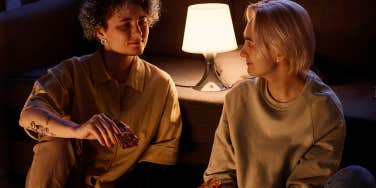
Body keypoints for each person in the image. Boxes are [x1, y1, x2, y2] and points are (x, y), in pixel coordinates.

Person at [201, 0, 375, 187]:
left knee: (357, 177)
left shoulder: (324, 111)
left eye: (250, 43)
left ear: (280, 51)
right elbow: (219, 175)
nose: (242, 52)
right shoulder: (238, 97)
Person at [18, 0, 182, 187]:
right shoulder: (71, 72)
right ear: (100, 31)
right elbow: (28, 116)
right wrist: (77, 130)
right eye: (125, 24)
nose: (138, 33)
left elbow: (162, 159)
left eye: (142, 21)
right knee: (57, 140)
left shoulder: (161, 85)